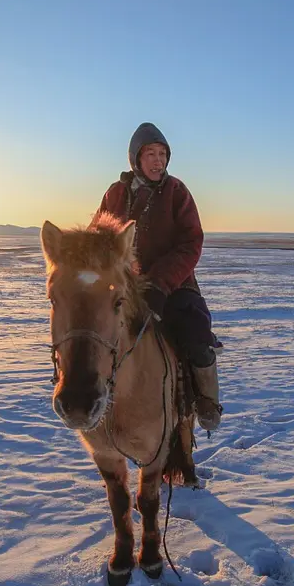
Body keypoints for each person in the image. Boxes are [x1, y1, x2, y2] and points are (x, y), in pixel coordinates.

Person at [92, 122, 222, 431]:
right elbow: (97, 237)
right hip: (124, 287)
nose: (158, 161)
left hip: (174, 285)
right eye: (150, 153)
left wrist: (160, 282)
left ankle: (207, 402)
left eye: (163, 154)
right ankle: (91, 394)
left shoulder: (177, 192)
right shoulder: (116, 194)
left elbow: (191, 243)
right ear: (135, 158)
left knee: (196, 331)